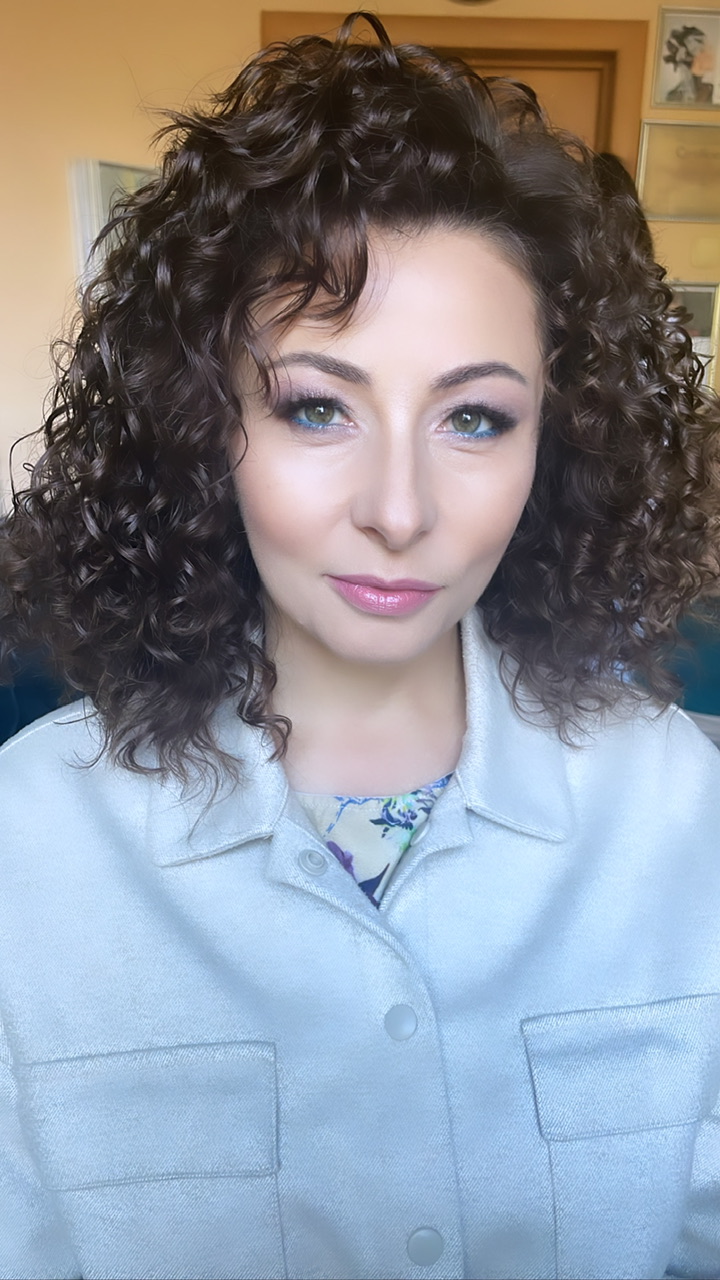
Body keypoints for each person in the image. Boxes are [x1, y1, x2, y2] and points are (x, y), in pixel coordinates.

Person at [1, 12, 720, 1278]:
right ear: (203, 423)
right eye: (318, 407)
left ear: (556, 443)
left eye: (476, 418)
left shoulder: (679, 809)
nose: (398, 509)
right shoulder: (31, 838)